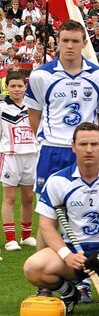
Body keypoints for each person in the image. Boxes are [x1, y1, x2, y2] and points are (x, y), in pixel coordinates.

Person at [22, 122, 99, 315]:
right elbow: (46, 225)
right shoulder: (57, 181)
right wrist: (66, 255)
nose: (89, 149)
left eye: (94, 144)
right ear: (73, 146)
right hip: (72, 254)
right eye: (83, 144)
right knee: (33, 268)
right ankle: (69, 293)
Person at [26, 21, 99, 244]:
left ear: (84, 43)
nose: (69, 46)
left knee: (82, 210)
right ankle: (45, 275)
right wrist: (47, 139)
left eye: (75, 41)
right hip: (53, 150)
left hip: (86, 151)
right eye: (65, 41)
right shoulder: (41, 75)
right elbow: (35, 115)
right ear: (57, 43)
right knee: (47, 216)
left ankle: (78, 274)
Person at [0, 67, 37, 251]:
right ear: (7, 87)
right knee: (9, 197)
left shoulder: (33, 107)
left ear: (25, 87)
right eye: (12, 86)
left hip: (31, 155)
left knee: (29, 197)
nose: (16, 89)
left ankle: (26, 235)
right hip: (10, 156)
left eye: (20, 86)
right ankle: (10, 238)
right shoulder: (1, 107)